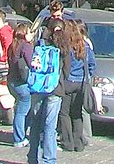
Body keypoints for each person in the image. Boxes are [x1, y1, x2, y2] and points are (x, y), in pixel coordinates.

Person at [57, 20, 96, 153]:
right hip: (81, 83)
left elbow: (62, 64)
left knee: (64, 113)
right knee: (77, 113)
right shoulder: (84, 45)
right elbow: (92, 64)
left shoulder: (66, 46)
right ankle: (78, 143)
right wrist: (88, 77)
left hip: (68, 82)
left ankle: (67, 142)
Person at [28, 22, 64, 164]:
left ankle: (32, 157)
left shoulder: (40, 43)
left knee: (35, 123)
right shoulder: (63, 47)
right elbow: (66, 69)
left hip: (38, 86)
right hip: (55, 89)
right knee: (50, 126)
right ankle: (49, 159)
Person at [8, 23, 34, 147]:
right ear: (24, 34)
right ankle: (19, 138)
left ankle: (20, 134)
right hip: (22, 83)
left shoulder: (12, 46)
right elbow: (31, 63)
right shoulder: (26, 46)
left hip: (12, 81)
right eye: (29, 32)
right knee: (22, 111)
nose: (31, 35)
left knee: (21, 108)